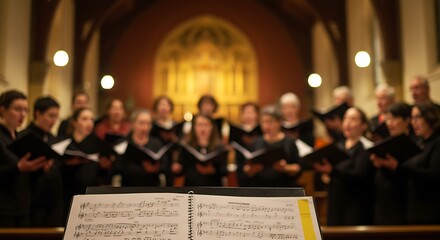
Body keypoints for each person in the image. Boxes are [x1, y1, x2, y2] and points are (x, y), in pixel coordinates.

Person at [374, 103, 440, 224]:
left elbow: (434, 175)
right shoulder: (421, 143)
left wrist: (398, 166)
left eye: (417, 117)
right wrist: (384, 165)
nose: (413, 122)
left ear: (430, 118)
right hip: (413, 209)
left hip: (430, 210)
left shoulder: (436, 143)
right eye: (412, 118)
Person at [314, 107, 375, 226]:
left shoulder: (364, 148)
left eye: (353, 119)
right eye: (345, 118)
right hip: (335, 203)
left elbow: (359, 176)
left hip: (354, 205)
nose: (347, 122)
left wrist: (332, 171)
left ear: (363, 126)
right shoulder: (338, 146)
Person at [52, 107, 113, 221]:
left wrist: (104, 167)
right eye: (84, 119)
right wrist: (68, 164)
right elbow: (56, 170)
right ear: (74, 122)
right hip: (66, 195)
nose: (89, 123)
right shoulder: (64, 143)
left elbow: (103, 177)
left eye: (91, 119)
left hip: (90, 197)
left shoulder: (98, 144)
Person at [0, 90, 47, 227]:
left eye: (25, 110)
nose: (23, 115)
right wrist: (17, 167)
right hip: (3, 207)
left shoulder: (21, 137)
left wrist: (40, 167)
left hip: (23, 205)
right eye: (17, 109)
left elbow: (26, 172)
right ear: (2, 110)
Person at [19, 96, 63, 227]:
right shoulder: (25, 136)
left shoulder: (53, 138)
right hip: (34, 199)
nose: (54, 121)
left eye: (56, 117)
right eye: (51, 116)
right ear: (38, 113)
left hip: (54, 198)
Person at [370, 102, 414, 225]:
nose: (389, 123)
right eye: (388, 119)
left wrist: (394, 166)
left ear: (407, 120)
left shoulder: (413, 143)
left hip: (403, 203)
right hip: (383, 203)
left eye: (394, 119)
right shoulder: (386, 143)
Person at [244, 105, 301, 187]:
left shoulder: (289, 142)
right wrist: (253, 169)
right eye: (263, 122)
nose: (266, 126)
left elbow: (297, 168)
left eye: (270, 122)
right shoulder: (255, 142)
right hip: (260, 188)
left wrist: (285, 168)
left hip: (284, 188)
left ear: (279, 122)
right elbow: (247, 170)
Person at [113, 109, 166, 187]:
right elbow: (116, 167)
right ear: (133, 124)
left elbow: (165, 165)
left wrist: (155, 168)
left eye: (148, 124)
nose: (145, 128)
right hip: (128, 188)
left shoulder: (156, 143)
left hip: (152, 188)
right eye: (141, 123)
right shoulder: (123, 143)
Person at [172, 114, 228, 186]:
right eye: (199, 125)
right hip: (192, 188)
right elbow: (181, 170)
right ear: (194, 127)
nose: (203, 128)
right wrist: (177, 168)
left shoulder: (220, 147)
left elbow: (225, 172)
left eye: (206, 125)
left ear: (212, 127)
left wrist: (213, 170)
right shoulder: (187, 146)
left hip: (213, 187)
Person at [150, 95, 180, 186]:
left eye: (166, 105)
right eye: (161, 105)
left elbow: (179, 146)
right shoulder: (151, 125)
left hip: (171, 159)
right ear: (156, 108)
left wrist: (174, 138)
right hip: (155, 159)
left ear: (170, 108)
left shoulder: (176, 125)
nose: (164, 108)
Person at [230, 102, 262, 186]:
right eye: (246, 112)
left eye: (252, 112)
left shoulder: (262, 130)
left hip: (260, 169)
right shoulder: (237, 131)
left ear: (257, 114)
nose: (249, 115)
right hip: (241, 166)